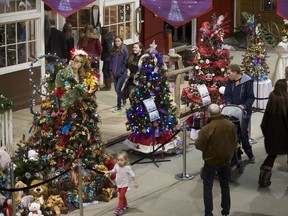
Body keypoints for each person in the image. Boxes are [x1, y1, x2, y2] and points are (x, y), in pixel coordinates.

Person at [195, 103, 237, 216]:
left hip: (211, 161)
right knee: (225, 185)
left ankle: (208, 213)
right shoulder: (230, 125)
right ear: (220, 112)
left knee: (208, 187)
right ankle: (226, 211)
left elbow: (198, 145)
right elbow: (234, 141)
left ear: (209, 114)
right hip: (226, 160)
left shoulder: (206, 129)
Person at [259, 79, 288, 187]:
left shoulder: (272, 97)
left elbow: (265, 119)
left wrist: (266, 133)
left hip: (272, 135)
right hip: (285, 135)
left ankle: (263, 180)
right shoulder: (286, 99)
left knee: (271, 156)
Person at [224, 64, 255, 162]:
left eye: (229, 73)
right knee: (231, 133)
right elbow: (227, 94)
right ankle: (236, 154)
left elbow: (251, 97)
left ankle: (249, 153)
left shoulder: (247, 81)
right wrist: (228, 103)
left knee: (242, 133)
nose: (227, 75)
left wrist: (244, 106)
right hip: (232, 112)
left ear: (235, 72)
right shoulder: (230, 81)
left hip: (244, 112)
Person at [105, 151, 138, 216]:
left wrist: (135, 182)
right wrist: (107, 172)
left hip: (124, 185)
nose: (119, 161)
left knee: (120, 197)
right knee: (122, 196)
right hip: (119, 184)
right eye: (118, 160)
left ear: (125, 160)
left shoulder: (127, 168)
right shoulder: (116, 165)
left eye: (121, 160)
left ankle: (118, 209)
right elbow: (113, 171)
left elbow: (133, 175)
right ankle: (125, 205)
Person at [109, 36, 129, 113]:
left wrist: (121, 71)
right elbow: (111, 61)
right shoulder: (113, 50)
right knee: (116, 90)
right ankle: (123, 98)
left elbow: (125, 62)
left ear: (121, 41)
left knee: (118, 89)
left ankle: (119, 107)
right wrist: (111, 69)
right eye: (116, 41)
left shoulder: (125, 50)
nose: (117, 42)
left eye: (118, 41)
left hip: (121, 73)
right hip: (114, 73)